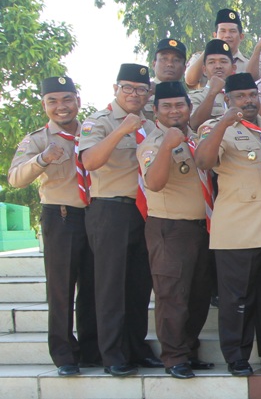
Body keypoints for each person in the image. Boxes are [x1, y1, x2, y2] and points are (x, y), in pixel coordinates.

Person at [193, 73, 261, 377]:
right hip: (237, 231)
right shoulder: (215, 129)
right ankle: (236, 356)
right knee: (237, 299)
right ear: (227, 100)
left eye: (252, 95)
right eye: (241, 96)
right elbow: (203, 162)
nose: (248, 101)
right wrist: (223, 122)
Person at [8, 76, 100, 376]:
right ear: (44, 105)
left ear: (78, 101)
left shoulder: (92, 131)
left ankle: (91, 348)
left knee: (93, 286)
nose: (61, 107)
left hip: (96, 216)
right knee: (61, 289)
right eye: (53, 101)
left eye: (67, 99)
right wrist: (42, 160)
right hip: (61, 217)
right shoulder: (38, 139)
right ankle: (64, 354)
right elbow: (15, 178)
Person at [79, 64, 160, 376]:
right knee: (110, 286)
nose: (134, 94)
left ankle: (136, 347)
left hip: (143, 211)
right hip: (109, 210)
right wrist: (120, 131)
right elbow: (89, 161)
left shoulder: (150, 127)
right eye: (127, 87)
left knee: (139, 285)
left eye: (141, 89)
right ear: (115, 88)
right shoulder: (98, 121)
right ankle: (111, 353)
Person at [136, 81, 214, 379]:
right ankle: (174, 357)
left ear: (189, 108)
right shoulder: (152, 143)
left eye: (179, 105)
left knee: (198, 295)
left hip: (202, 226)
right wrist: (168, 146)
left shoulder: (196, 139)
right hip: (170, 228)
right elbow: (153, 183)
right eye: (166, 106)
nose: (174, 111)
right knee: (172, 295)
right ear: (155, 110)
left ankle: (189, 350)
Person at [184, 8, 249, 90]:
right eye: (223, 31)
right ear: (215, 35)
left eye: (232, 31)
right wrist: (209, 49)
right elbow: (190, 80)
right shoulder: (200, 58)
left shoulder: (248, 64)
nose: (227, 35)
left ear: (241, 36)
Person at [189, 39, 238, 130]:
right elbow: (194, 124)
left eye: (223, 61)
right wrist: (212, 93)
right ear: (204, 70)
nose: (218, 66)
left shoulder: (241, 95)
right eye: (211, 62)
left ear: (233, 68)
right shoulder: (196, 97)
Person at [144, 38, 188, 120]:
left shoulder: (190, 97)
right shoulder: (142, 93)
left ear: (184, 68)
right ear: (153, 64)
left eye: (176, 60)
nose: (170, 64)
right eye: (164, 59)